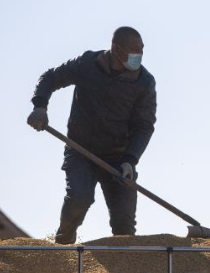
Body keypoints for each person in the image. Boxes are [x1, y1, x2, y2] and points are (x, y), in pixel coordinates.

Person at [26, 26, 157, 244]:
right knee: (79, 198)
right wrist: (40, 106)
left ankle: (124, 270)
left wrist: (130, 161)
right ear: (116, 48)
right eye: (134, 49)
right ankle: (63, 245)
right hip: (80, 150)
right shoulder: (87, 64)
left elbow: (144, 125)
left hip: (118, 158)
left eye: (142, 49)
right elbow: (50, 77)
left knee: (124, 223)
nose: (139, 55)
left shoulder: (144, 82)